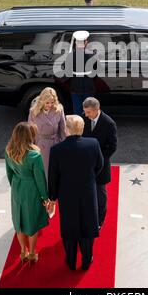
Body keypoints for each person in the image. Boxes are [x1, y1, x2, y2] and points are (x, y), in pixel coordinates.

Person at [48, 115, 104, 271]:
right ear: (82, 129)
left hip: (67, 194)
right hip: (88, 191)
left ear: (66, 130)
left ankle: (70, 261)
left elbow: (53, 175)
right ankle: (87, 260)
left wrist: (52, 196)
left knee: (69, 228)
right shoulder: (93, 144)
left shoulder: (57, 150)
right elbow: (99, 165)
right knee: (87, 227)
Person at [5, 122, 50, 265]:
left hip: (17, 188)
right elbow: (40, 179)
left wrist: (16, 187)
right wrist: (45, 197)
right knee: (32, 224)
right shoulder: (34, 155)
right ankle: (31, 254)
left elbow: (9, 174)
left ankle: (22, 251)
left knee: (19, 222)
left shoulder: (8, 150)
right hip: (32, 189)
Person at [82, 98, 117, 229]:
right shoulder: (83, 118)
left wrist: (99, 159)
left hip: (101, 166)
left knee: (100, 195)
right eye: (85, 112)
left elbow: (112, 146)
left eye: (89, 112)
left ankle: (98, 221)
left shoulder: (109, 123)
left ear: (97, 109)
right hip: (84, 164)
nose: (86, 115)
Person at [28, 87, 66, 179]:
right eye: (47, 102)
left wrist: (62, 144)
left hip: (55, 144)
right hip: (39, 145)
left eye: (52, 102)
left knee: (54, 173)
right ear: (42, 100)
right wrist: (31, 147)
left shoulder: (59, 110)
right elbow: (30, 131)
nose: (50, 105)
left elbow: (63, 129)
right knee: (42, 173)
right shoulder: (33, 111)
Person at [67, 31, 97, 116]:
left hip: (75, 86)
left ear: (76, 42)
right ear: (86, 42)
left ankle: (78, 128)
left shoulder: (70, 56)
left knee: (77, 110)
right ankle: (87, 127)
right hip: (88, 86)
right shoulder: (92, 55)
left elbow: (67, 72)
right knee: (89, 110)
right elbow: (95, 72)